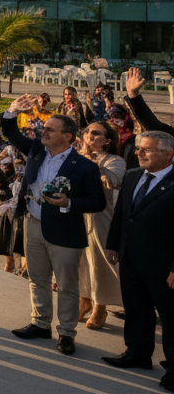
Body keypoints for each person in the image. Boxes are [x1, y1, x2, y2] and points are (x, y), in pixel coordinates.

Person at [0, 97, 106, 355]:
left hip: (65, 231)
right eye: (43, 128)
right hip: (33, 223)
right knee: (37, 279)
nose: (42, 132)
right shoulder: (36, 149)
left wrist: (69, 202)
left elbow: (97, 201)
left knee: (68, 285)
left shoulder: (84, 167)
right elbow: (10, 132)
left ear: (68, 137)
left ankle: (67, 333)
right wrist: (12, 111)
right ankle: (40, 323)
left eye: (49, 130)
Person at [102, 131, 174, 388]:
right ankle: (138, 354)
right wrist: (112, 245)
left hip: (163, 266)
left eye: (146, 150)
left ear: (168, 154)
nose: (138, 153)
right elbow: (121, 215)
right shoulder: (132, 176)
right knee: (136, 310)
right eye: (139, 148)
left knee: (170, 318)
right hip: (131, 259)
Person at [76, 120, 124, 330]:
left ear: (107, 140)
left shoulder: (115, 160)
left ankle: (100, 305)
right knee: (79, 260)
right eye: (87, 132)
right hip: (77, 212)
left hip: (102, 215)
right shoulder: (75, 156)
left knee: (99, 260)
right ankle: (84, 298)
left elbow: (111, 181)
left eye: (96, 133)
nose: (90, 136)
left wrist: (89, 161)